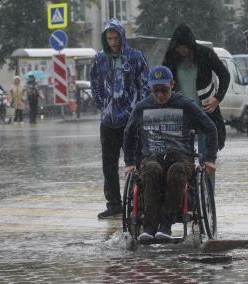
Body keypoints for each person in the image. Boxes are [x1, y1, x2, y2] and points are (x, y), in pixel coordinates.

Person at [124, 66, 218, 240]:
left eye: (164, 90)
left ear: (172, 85)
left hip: (181, 157)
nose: (160, 95)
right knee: (151, 170)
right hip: (152, 157)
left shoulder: (185, 104)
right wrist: (129, 162)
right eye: (156, 90)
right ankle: (149, 227)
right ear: (151, 89)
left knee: (176, 171)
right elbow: (128, 134)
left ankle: (166, 225)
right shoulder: (142, 107)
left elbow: (210, 128)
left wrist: (210, 158)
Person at [90, 18, 149, 219]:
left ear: (121, 37)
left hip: (130, 121)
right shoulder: (99, 59)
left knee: (136, 162)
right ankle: (114, 203)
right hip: (107, 121)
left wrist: (138, 109)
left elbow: (144, 84)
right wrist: (101, 104)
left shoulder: (135, 57)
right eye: (109, 38)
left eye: (115, 38)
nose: (113, 42)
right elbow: (95, 83)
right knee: (109, 165)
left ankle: (139, 203)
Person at [162, 23, 230, 192]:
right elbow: (162, 82)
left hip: (206, 114)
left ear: (191, 44)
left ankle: (208, 198)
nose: (181, 51)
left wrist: (217, 98)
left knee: (206, 159)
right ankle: (191, 198)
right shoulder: (171, 59)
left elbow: (224, 75)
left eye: (184, 47)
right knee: (182, 159)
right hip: (180, 117)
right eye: (178, 48)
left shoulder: (206, 55)